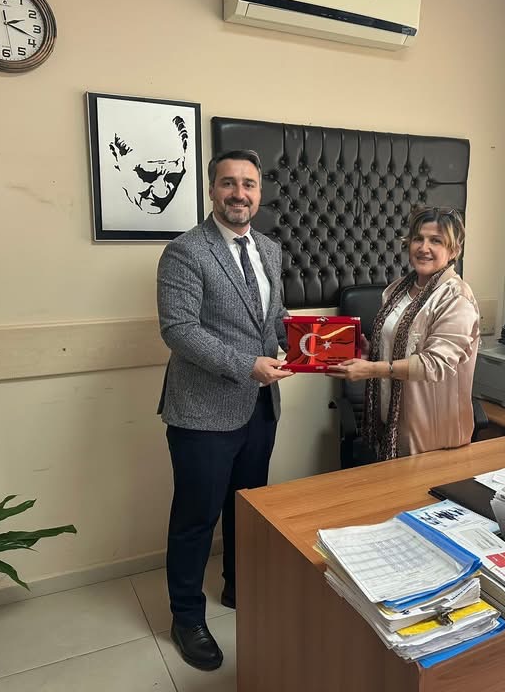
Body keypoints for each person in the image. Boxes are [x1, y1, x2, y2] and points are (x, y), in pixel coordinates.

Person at [156, 149, 292, 671]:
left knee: (247, 508)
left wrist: (317, 344)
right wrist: (246, 365)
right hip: (202, 412)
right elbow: (179, 329)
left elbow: (274, 318)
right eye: (229, 183)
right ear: (212, 189)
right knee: (196, 519)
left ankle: (240, 586)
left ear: (260, 192)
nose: (240, 193)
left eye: (249, 184)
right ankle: (187, 617)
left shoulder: (270, 250)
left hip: (259, 408)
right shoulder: (185, 251)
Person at [327, 206, 480, 459]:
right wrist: (371, 353)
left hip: (432, 435)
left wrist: (373, 369)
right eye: (418, 238)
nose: (423, 248)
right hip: (390, 426)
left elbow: (435, 364)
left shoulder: (456, 297)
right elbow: (399, 346)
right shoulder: (396, 291)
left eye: (436, 241)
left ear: (454, 250)